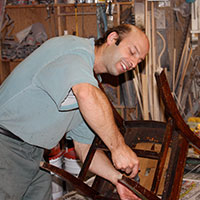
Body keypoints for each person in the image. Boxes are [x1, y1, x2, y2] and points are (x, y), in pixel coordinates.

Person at [0, 24, 149, 200]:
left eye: (139, 61)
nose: (133, 63)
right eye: (132, 52)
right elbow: (86, 94)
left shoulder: (87, 82)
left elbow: (84, 148)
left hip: (35, 154)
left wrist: (118, 180)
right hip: (6, 146)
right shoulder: (74, 52)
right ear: (112, 38)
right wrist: (118, 147)